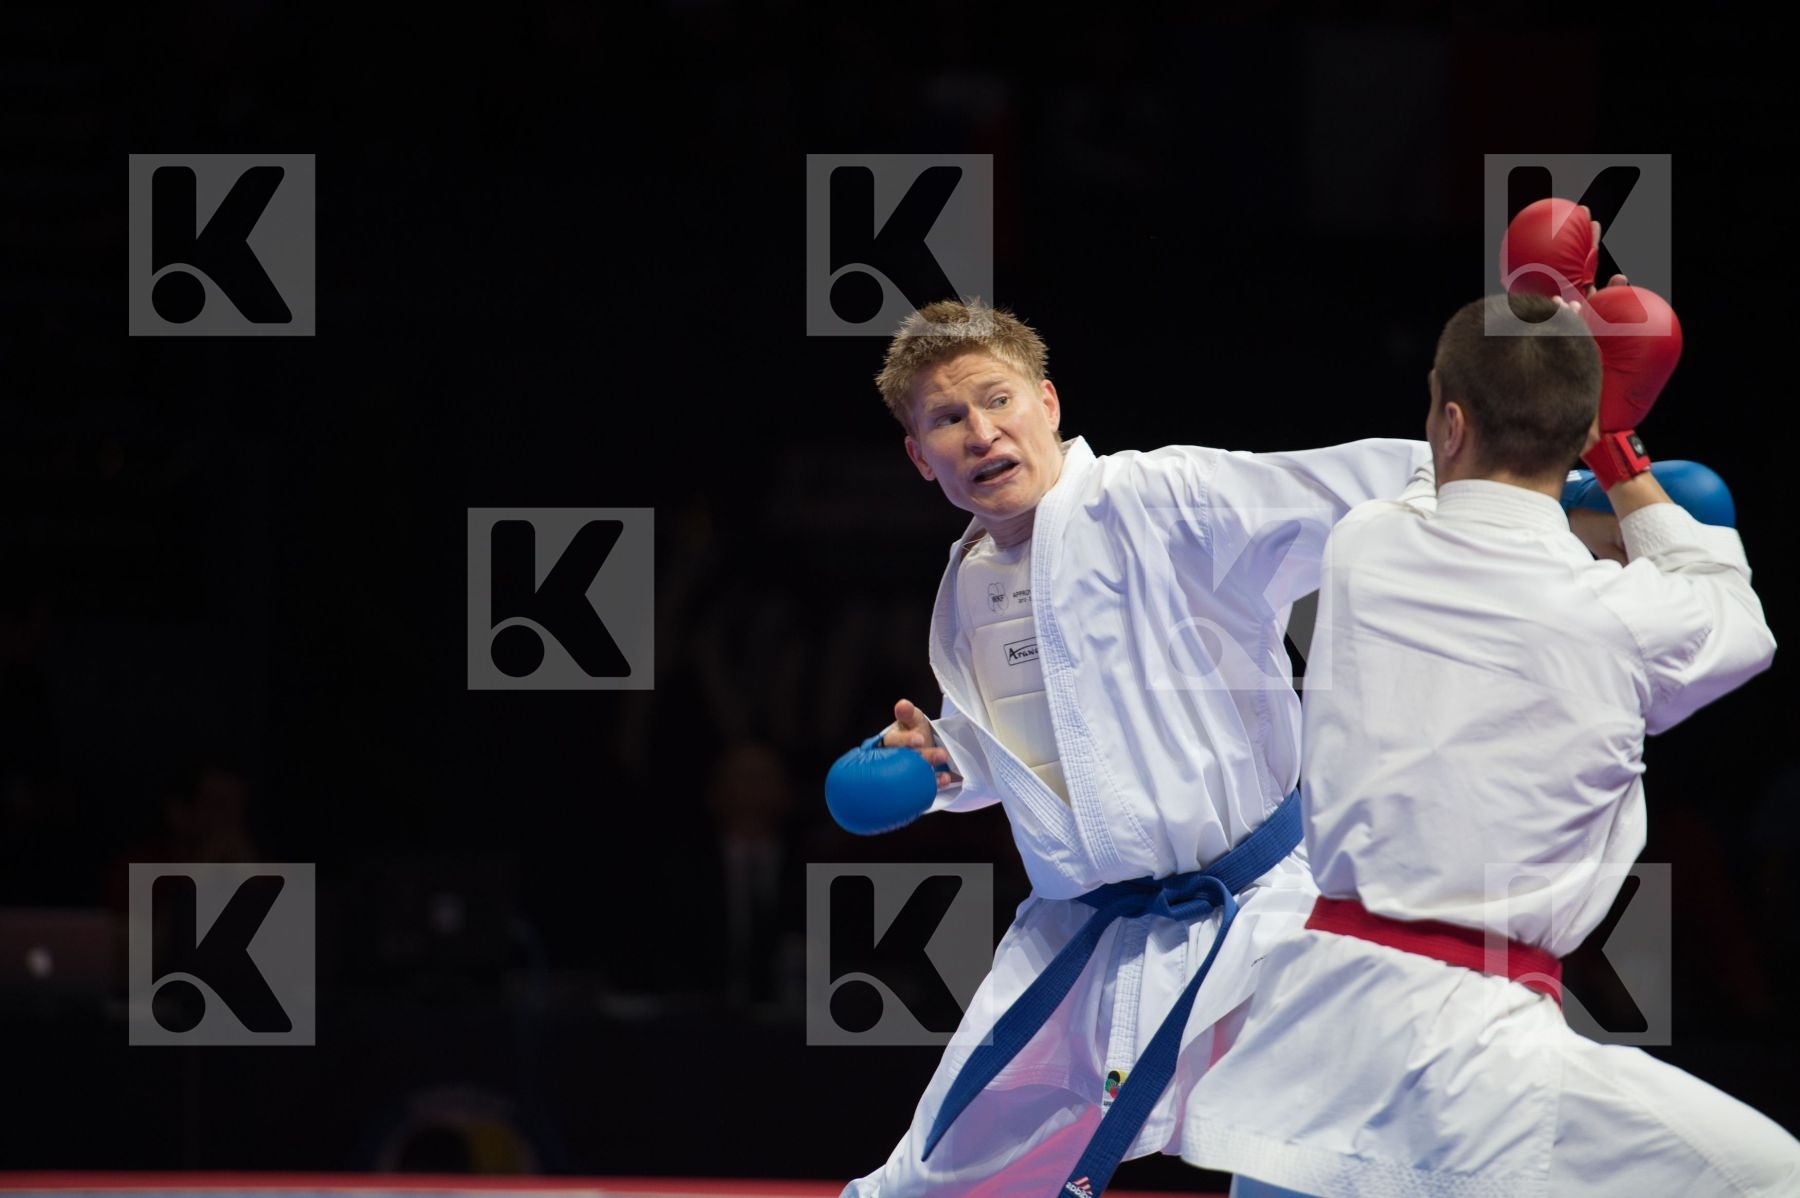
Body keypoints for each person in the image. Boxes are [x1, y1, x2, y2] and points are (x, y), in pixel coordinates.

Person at [1178, 290, 1799, 1196]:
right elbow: (1733, 609)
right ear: (1579, 428)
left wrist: (1514, 325)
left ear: (1447, 415)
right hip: (1481, 1054)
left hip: (1310, 1038)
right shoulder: (1629, 617)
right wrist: (1619, 447)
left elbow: (1441, 471)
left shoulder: (1366, 545)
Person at [828, 297, 1437, 1197]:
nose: (981, 432)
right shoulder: (968, 585)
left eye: (997, 401)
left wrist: (1528, 482)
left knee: (1317, 1162)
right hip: (1079, 933)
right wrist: (949, 765)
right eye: (948, 419)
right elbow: (1057, 751)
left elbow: (1364, 491)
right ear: (920, 455)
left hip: (1256, 912)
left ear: (1049, 403)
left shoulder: (1159, 499)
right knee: (926, 1185)